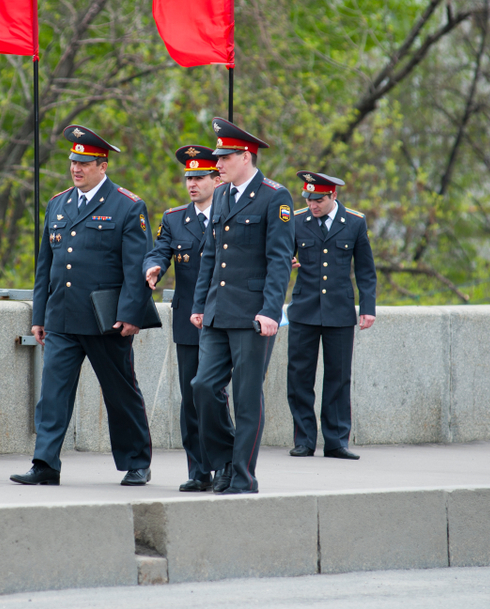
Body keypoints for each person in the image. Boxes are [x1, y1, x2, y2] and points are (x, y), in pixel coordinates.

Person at [11, 125, 155, 487]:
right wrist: (39, 315)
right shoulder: (58, 203)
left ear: (102, 166)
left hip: (106, 320)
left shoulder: (127, 205)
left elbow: (136, 268)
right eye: (73, 161)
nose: (76, 168)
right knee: (52, 395)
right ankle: (45, 463)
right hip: (61, 317)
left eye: (85, 163)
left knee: (120, 394)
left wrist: (131, 314)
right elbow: (45, 264)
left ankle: (136, 461)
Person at [189, 118, 295, 494]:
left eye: (224, 157)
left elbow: (279, 260)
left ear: (245, 156)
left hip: (253, 313)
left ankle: (243, 477)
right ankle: (225, 463)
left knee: (247, 396)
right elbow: (210, 255)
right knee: (203, 386)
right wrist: (200, 303)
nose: (217, 164)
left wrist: (271, 311)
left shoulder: (274, 196)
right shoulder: (221, 195)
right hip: (218, 310)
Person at [143, 145, 221, 492]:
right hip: (189, 320)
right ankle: (199, 470)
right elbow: (161, 249)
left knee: (215, 394)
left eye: (200, 177)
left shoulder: (231, 213)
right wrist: (154, 266)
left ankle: (227, 463)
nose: (192, 183)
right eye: (188, 177)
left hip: (223, 318)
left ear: (217, 179)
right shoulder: (175, 218)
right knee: (191, 397)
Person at [286, 171, 376, 461]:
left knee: (338, 378)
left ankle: (336, 441)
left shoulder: (354, 222)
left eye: (319, 200)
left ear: (333, 196)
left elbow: (365, 270)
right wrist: (286, 257)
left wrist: (368, 308)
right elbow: (281, 251)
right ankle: (304, 440)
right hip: (304, 310)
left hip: (339, 310)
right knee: (300, 377)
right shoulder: (297, 220)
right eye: (309, 199)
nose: (313, 205)